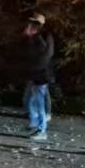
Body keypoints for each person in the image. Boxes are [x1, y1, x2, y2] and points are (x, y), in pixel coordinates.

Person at [20, 13, 55, 141]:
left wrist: (35, 68)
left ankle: (41, 129)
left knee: (39, 102)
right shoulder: (35, 38)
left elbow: (44, 55)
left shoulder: (42, 37)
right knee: (31, 100)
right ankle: (35, 125)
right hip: (35, 73)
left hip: (40, 74)